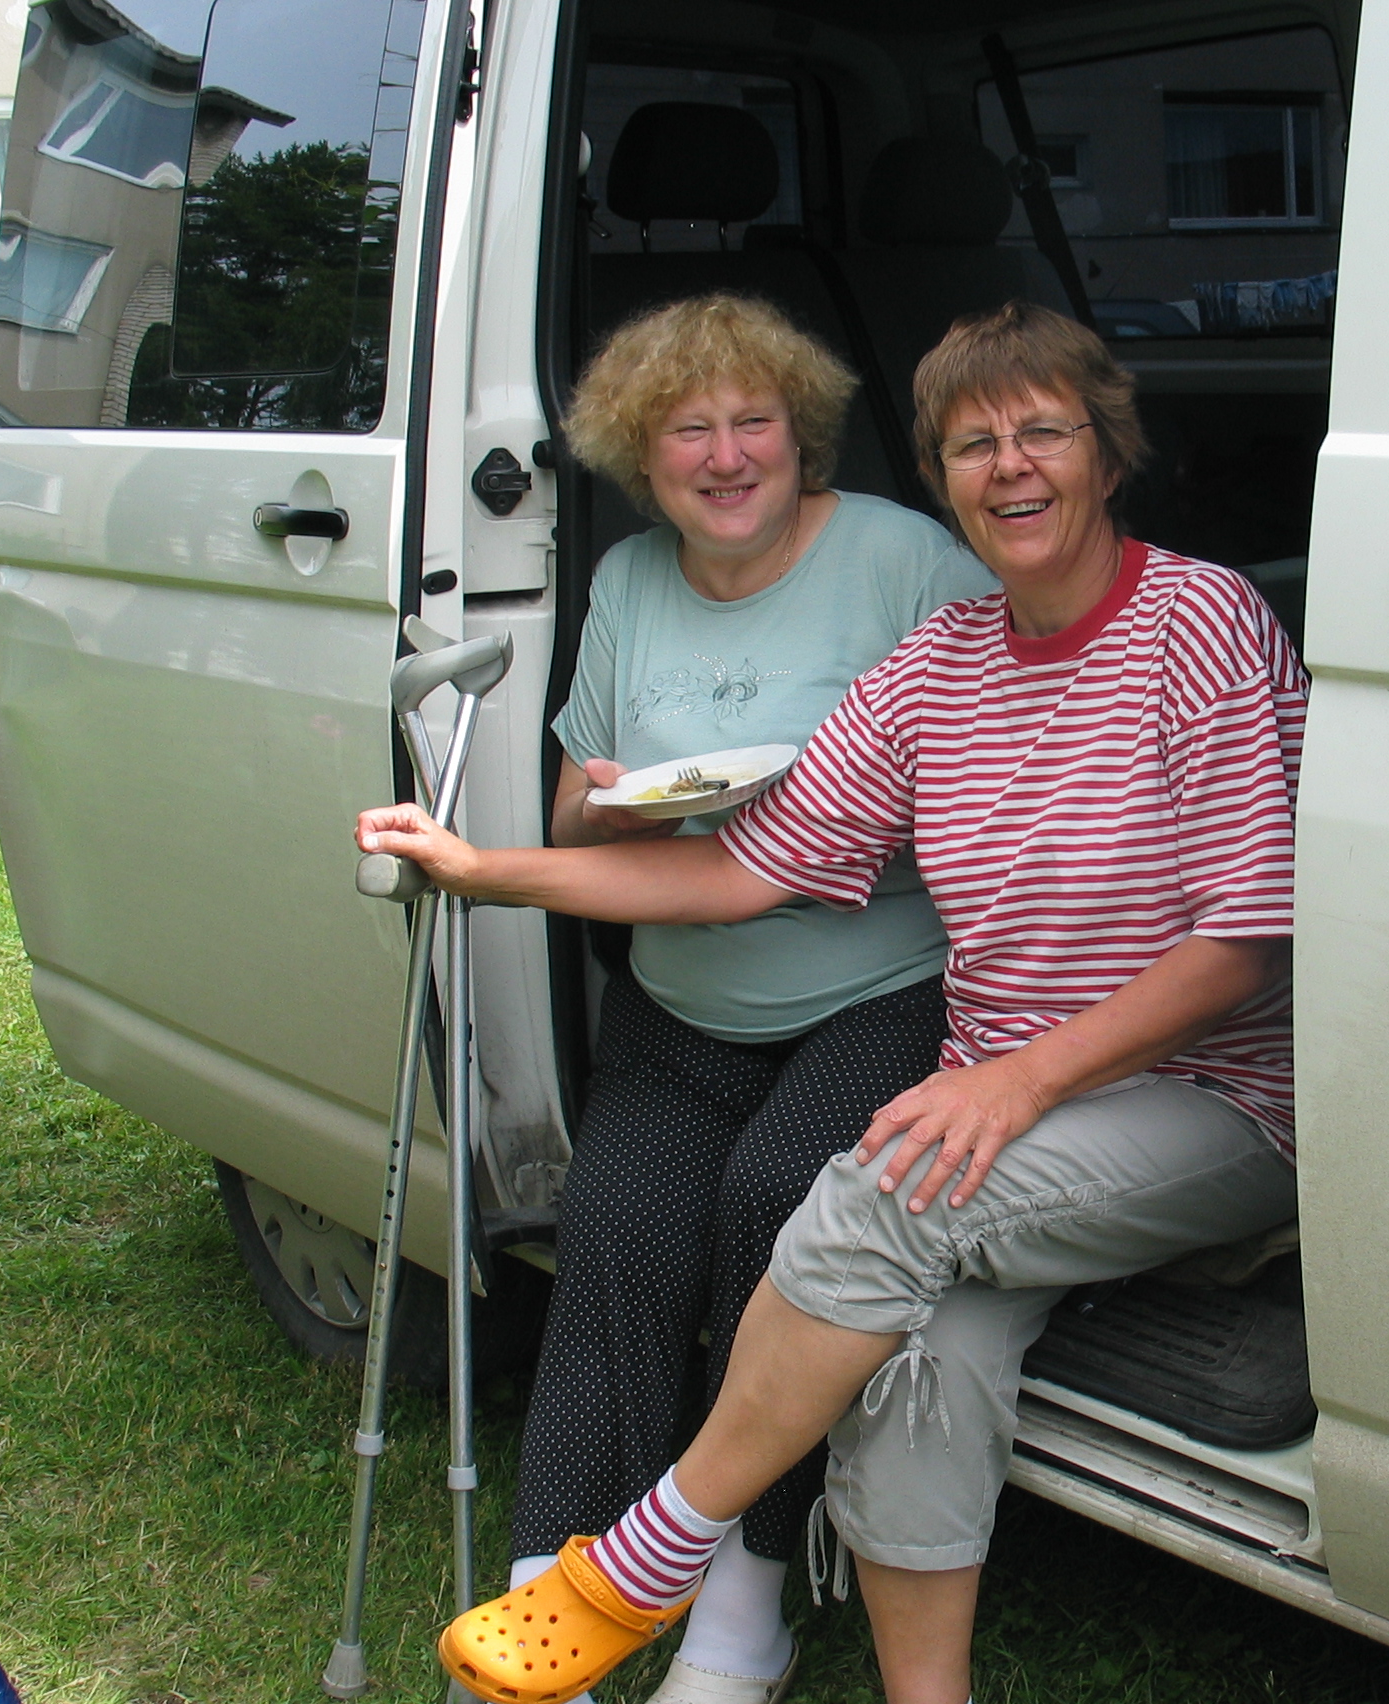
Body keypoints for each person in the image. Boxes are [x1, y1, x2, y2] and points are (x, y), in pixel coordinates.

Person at [357, 301, 1307, 1704]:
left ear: (1109, 456)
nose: (1011, 466)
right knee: (919, 1358)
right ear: (941, 483)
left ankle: (647, 1558)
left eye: (1044, 432)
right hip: (1009, 1115)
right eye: (973, 445)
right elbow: (738, 872)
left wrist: (1017, 1079)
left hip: (1203, 1100)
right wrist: (482, 867)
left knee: (880, 1196)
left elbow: (1244, 945)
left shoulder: (1199, 621)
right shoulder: (934, 669)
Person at [504, 291, 993, 1704]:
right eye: (687, 432)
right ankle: (542, 1600)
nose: (725, 457)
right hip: (681, 1001)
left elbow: (996, 787)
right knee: (617, 1227)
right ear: (638, 457)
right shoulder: (627, 581)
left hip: (880, 989)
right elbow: (572, 813)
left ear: (801, 434)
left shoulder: (905, 561)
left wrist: (826, 821)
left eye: (753, 422)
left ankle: (740, 1610)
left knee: (776, 1213)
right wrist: (624, 807)